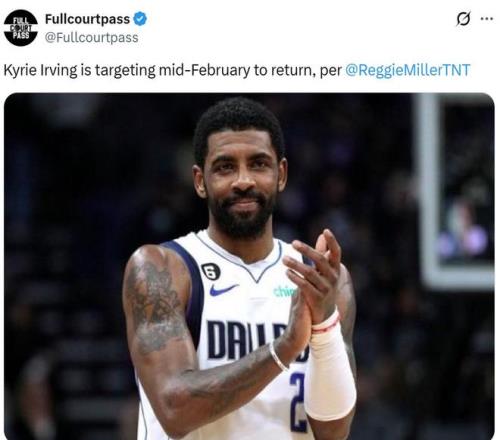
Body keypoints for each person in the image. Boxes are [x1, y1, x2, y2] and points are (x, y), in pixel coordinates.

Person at [122, 97, 357, 440]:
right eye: (225, 167)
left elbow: (334, 431)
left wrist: (323, 330)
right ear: (200, 181)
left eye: (259, 164)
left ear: (281, 175)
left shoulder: (324, 280)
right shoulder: (163, 269)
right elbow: (174, 409)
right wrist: (284, 348)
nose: (243, 180)